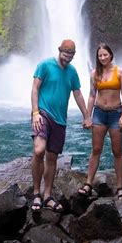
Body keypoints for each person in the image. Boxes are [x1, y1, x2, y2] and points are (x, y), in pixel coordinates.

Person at [31, 39, 92, 213]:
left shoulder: (72, 71)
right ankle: (36, 193)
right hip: (42, 113)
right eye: (65, 54)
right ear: (59, 51)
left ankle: (47, 195)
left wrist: (86, 116)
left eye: (71, 55)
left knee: (52, 157)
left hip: (60, 120)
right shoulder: (45, 65)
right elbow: (35, 88)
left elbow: (78, 94)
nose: (68, 57)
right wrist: (35, 113)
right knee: (38, 150)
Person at [78, 42, 122, 199]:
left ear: (111, 55)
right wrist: (87, 116)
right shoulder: (94, 73)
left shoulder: (120, 72)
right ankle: (88, 184)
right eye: (100, 55)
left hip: (115, 114)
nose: (102, 57)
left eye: (105, 54)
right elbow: (92, 95)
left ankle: (120, 187)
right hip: (99, 114)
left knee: (117, 151)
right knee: (96, 149)